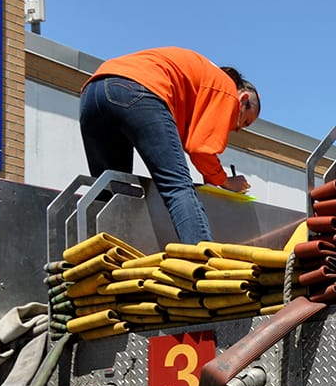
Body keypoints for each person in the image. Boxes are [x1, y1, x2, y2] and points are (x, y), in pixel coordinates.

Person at [79, 46, 260, 245]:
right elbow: (200, 149)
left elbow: (192, 142)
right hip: (140, 89)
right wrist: (225, 181)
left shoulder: (203, 80)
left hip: (92, 91)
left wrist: (212, 178)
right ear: (242, 100)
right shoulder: (227, 90)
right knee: (177, 186)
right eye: (244, 122)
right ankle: (203, 263)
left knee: (112, 192)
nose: (238, 130)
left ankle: (100, 260)